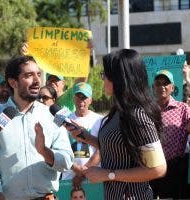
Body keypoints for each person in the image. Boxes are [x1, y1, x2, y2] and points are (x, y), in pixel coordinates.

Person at [69, 49, 167, 199]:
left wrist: (108, 174)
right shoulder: (118, 111)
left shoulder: (137, 116)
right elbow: (118, 148)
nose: (102, 79)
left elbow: (158, 169)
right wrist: (85, 136)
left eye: (105, 75)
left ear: (119, 78)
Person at [0, 55, 74, 200]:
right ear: (13, 82)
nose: (37, 81)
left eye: (38, 74)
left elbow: (66, 161)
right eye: (29, 75)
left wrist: (44, 151)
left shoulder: (51, 116)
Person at [150, 69, 190, 199]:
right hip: (151, 167)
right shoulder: (147, 110)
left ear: (172, 88)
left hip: (175, 168)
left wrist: (188, 80)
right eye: (158, 83)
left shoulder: (183, 109)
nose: (162, 87)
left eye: (165, 83)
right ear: (153, 87)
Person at [62, 82, 102, 182]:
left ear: (91, 100)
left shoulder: (100, 120)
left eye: (84, 97)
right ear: (73, 99)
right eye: (78, 96)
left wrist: (84, 172)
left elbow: (102, 149)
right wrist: (76, 169)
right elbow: (60, 148)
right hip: (69, 177)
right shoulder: (65, 120)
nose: (81, 101)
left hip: (93, 175)